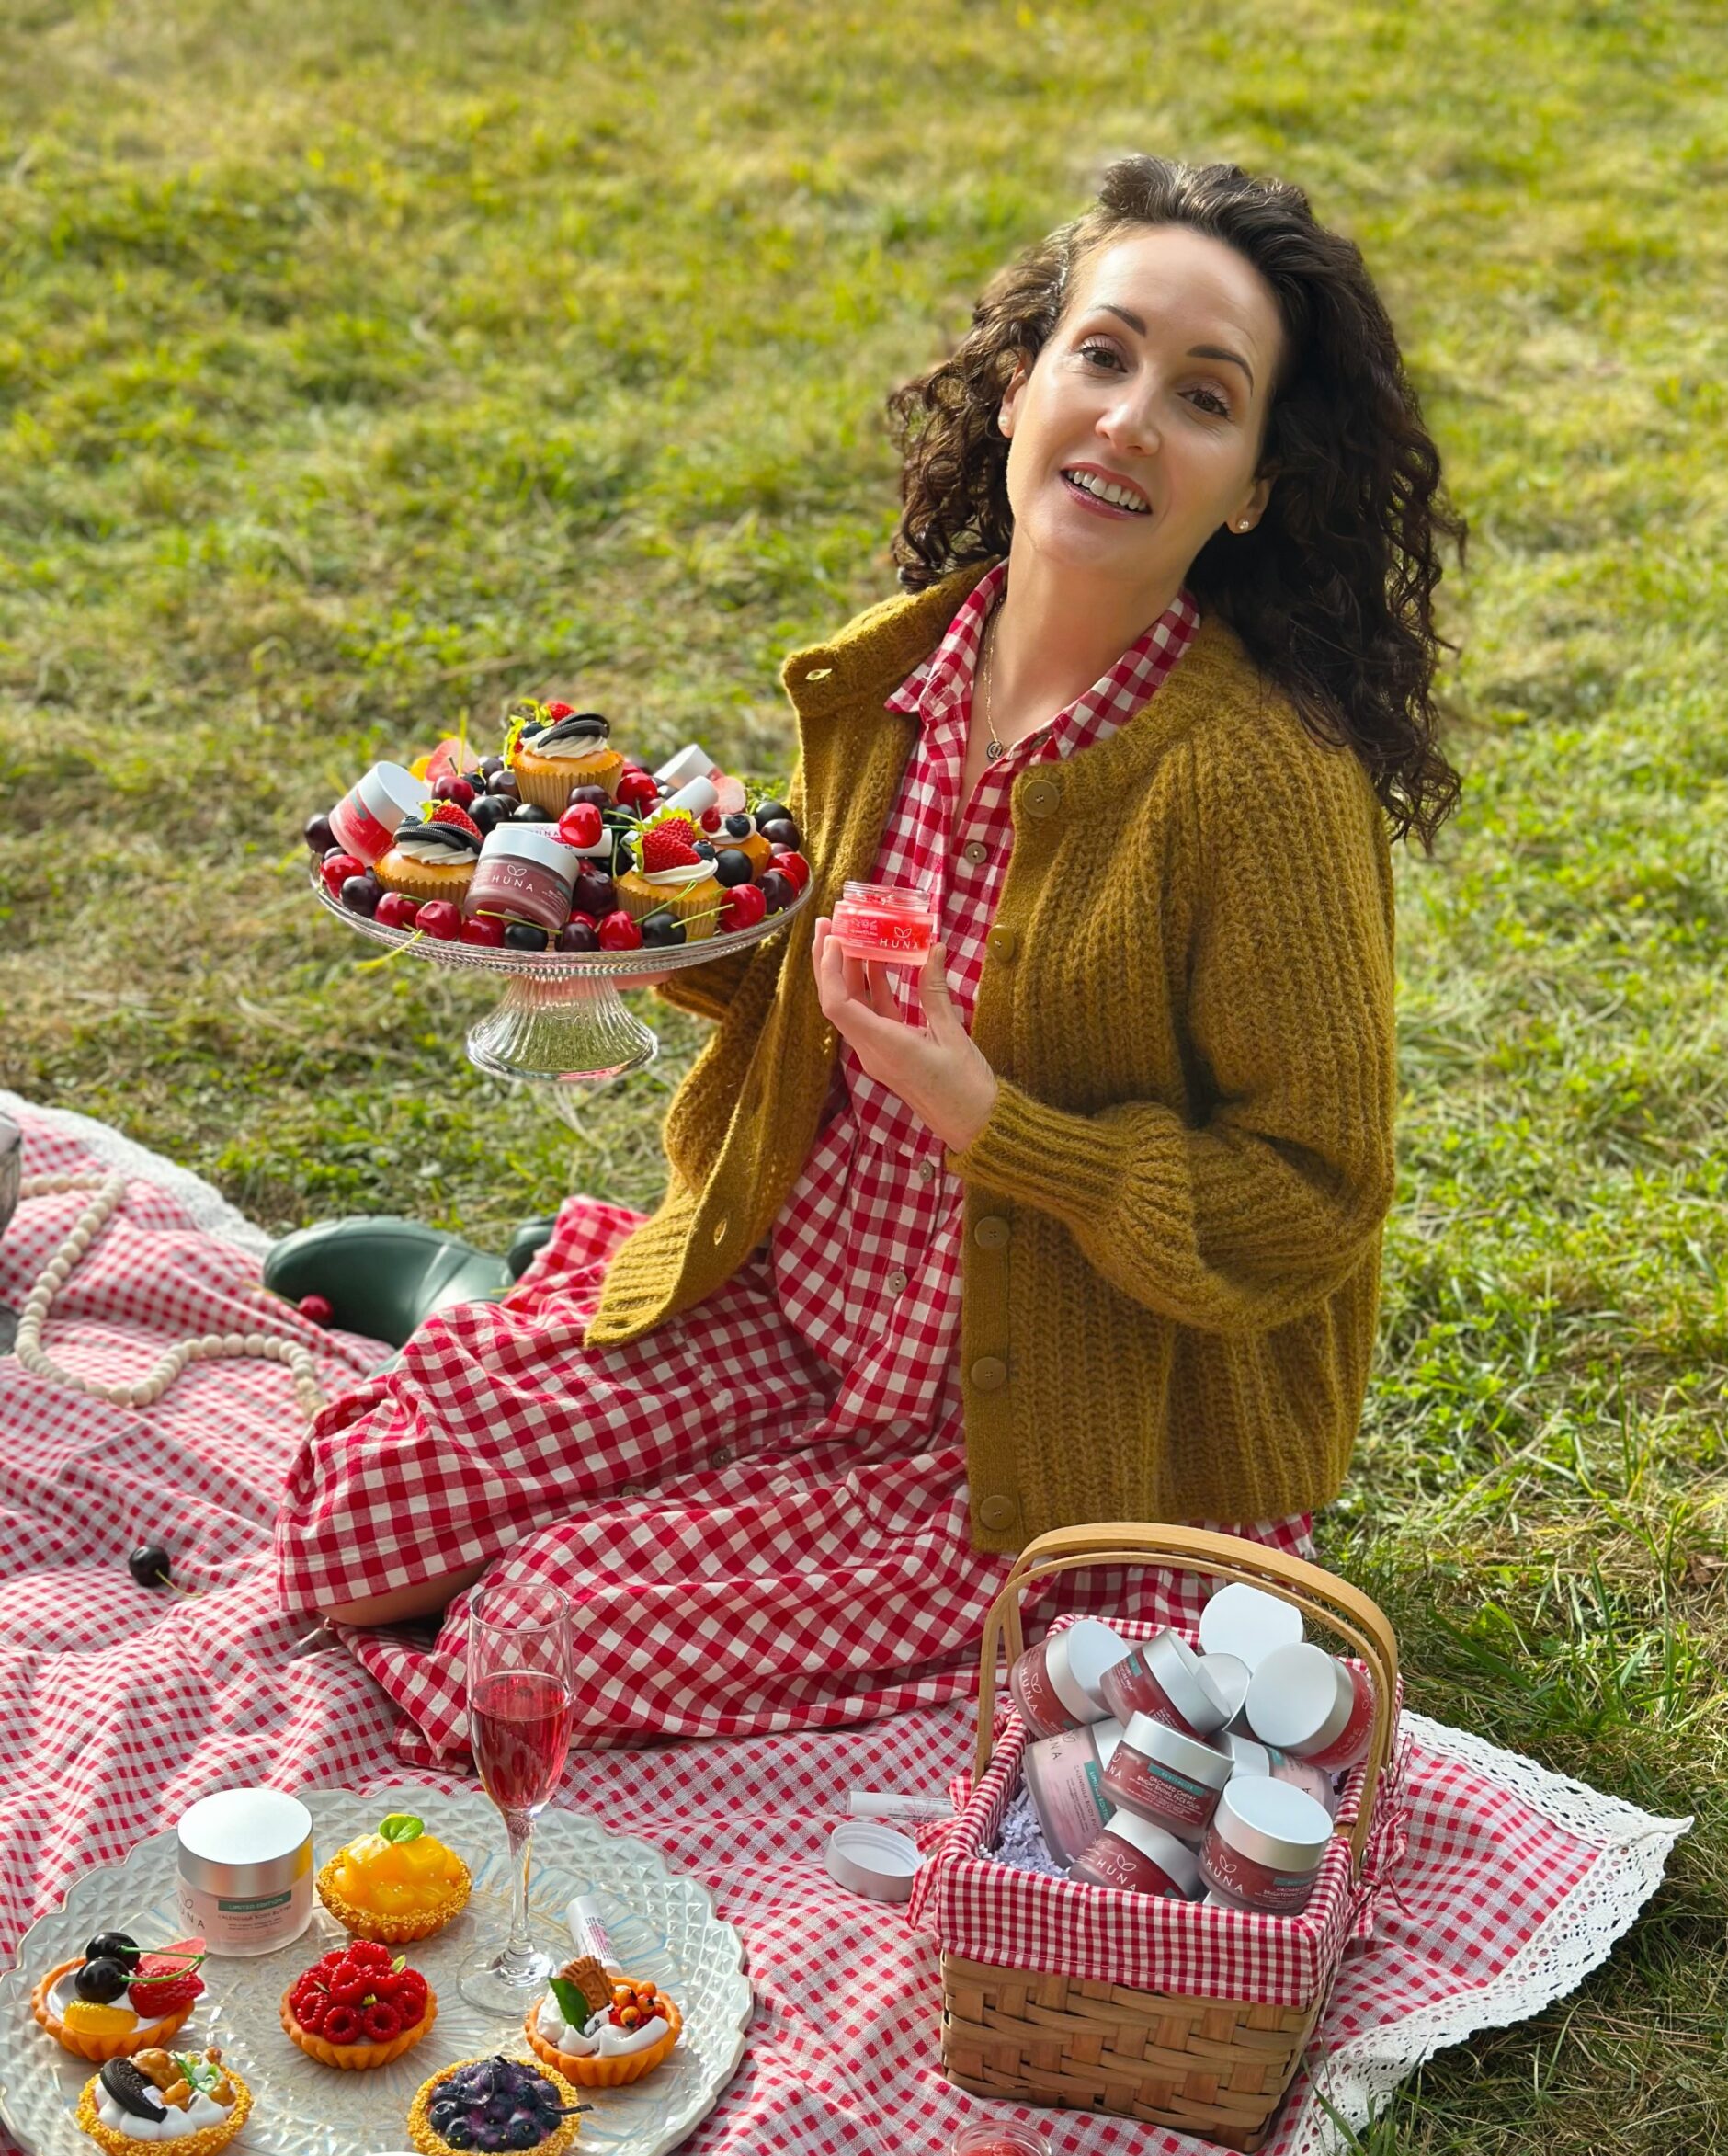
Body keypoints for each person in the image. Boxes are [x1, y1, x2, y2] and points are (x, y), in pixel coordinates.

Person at [273, 154, 1464, 1755]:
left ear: (1252, 481)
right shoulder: (897, 678)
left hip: (1034, 1422)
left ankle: (645, 1498)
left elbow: (1312, 1197)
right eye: (1099, 357)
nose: (1124, 419)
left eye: (1201, 396)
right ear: (1019, 385)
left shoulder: (1255, 783)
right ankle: (563, 1372)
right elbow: (809, 994)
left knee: (528, 1641)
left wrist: (994, 1119)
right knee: (350, 1529)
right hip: (785, 1295)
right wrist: (622, 931)